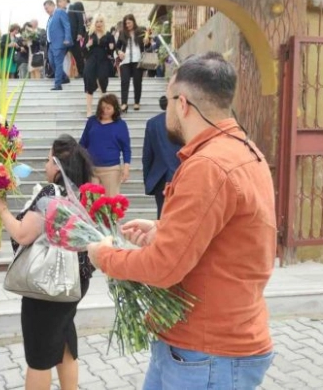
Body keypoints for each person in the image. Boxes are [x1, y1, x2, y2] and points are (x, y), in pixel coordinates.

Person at [87, 52, 276, 390]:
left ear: (183, 103)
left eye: (169, 101)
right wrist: (164, 228)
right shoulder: (243, 149)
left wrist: (105, 256)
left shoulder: (209, 165)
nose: (167, 111)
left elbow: (163, 268)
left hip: (207, 354)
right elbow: (232, 233)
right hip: (198, 346)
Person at [0, 135, 95, 390]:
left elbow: (24, 234)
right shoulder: (81, 194)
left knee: (39, 356)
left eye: (48, 160)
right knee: (64, 339)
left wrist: (1, 209)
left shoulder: (52, 193)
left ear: (58, 165)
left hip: (48, 285)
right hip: (73, 282)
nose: (45, 166)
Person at [79, 94, 130, 197]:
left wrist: (126, 167)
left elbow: (126, 148)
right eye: (102, 108)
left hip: (111, 169)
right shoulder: (92, 121)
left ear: (115, 109)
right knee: (91, 202)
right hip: (92, 168)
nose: (105, 111)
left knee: (111, 201)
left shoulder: (121, 125)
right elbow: (83, 143)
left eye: (108, 108)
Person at [142, 96, 181, 218]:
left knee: (162, 215)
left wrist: (148, 179)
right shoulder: (185, 121)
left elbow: (147, 155)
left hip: (161, 177)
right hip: (183, 172)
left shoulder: (153, 123)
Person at [116, 14, 151, 112]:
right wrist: (119, 52)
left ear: (133, 22)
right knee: (124, 82)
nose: (127, 25)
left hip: (137, 60)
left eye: (129, 23)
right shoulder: (122, 33)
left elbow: (147, 46)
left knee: (137, 81)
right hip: (125, 60)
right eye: (126, 23)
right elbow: (117, 47)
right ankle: (124, 103)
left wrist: (147, 42)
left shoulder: (141, 31)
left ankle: (136, 102)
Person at [82, 13, 115, 117]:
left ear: (103, 23)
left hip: (103, 60)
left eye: (101, 21)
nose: (99, 23)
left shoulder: (108, 34)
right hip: (91, 60)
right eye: (97, 21)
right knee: (89, 82)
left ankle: (103, 109)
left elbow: (111, 51)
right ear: (94, 23)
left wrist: (111, 48)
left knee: (102, 81)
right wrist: (88, 45)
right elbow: (83, 51)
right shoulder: (89, 34)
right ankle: (89, 110)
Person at [44, 0, 72, 91]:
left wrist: (67, 38)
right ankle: (65, 78)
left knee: (58, 63)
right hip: (51, 44)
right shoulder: (50, 17)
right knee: (52, 62)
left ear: (52, 5)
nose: (46, 10)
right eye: (45, 9)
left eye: (47, 8)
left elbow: (67, 25)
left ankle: (58, 85)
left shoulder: (60, 12)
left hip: (60, 43)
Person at [67, 1, 87, 78]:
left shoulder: (74, 6)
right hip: (69, 36)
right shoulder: (67, 9)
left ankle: (82, 72)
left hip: (74, 36)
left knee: (77, 55)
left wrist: (79, 33)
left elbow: (80, 20)